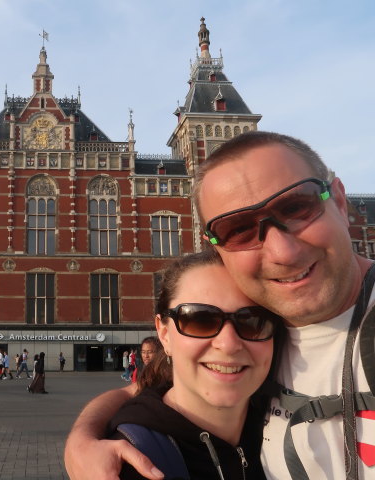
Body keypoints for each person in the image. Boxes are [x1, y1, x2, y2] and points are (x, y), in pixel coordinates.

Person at [64, 131, 375, 480]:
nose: (282, 252)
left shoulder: (263, 330)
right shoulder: (264, 335)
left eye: (297, 207)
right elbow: (143, 388)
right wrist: (82, 439)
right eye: (239, 230)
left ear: (340, 201)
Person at [108, 250, 281, 479]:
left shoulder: (290, 431)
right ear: (164, 333)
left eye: (252, 321)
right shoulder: (132, 464)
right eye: (200, 320)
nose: (228, 344)